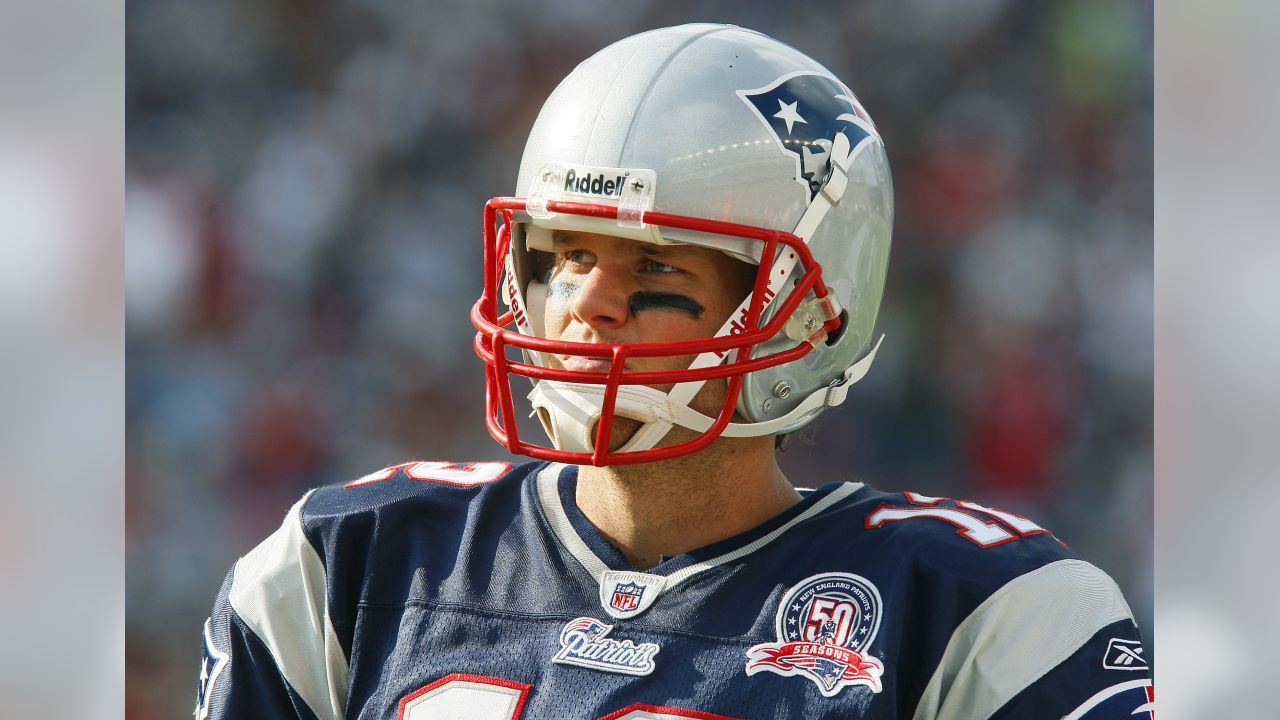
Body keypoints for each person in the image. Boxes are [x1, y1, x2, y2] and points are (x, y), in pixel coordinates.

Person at [196, 24, 1152, 719]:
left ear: (806, 311)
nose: (589, 303)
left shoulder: (980, 611)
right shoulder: (350, 563)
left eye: (655, 268)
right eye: (567, 256)